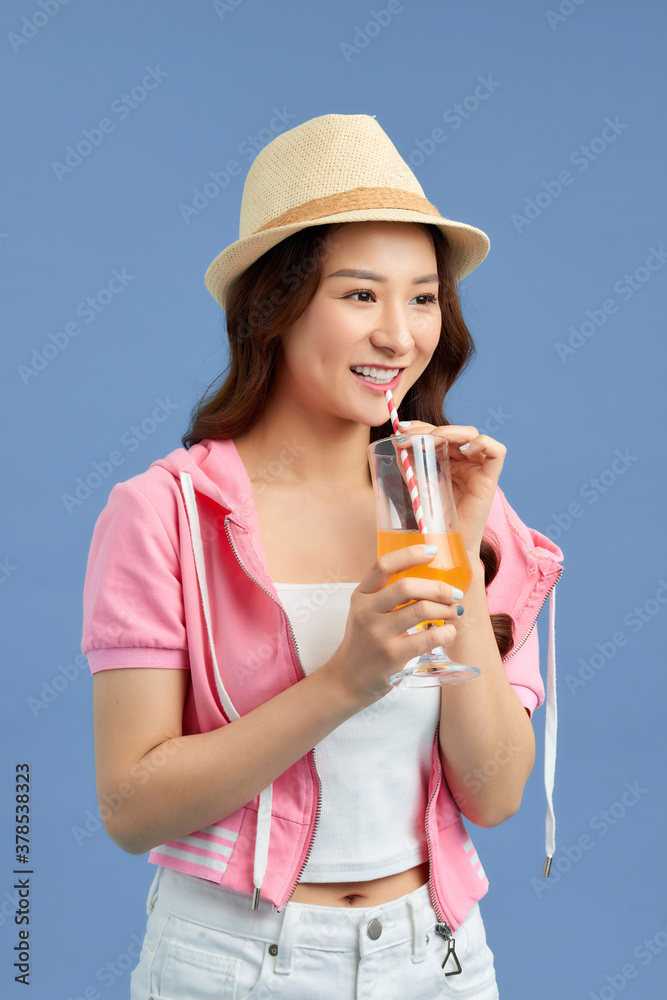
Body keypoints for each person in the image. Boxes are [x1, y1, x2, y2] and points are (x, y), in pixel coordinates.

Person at [81, 113, 564, 1000]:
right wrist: (346, 678)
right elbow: (131, 805)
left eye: (422, 297)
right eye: (358, 295)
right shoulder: (166, 515)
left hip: (440, 957)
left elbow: (493, 797)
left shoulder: (464, 503)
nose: (399, 335)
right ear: (272, 305)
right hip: (232, 965)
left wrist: (456, 564)